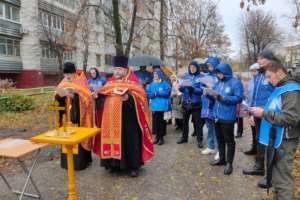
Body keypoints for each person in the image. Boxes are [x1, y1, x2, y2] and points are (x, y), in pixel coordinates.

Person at [250, 60, 300, 199]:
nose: (267, 80)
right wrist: (258, 113)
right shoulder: (281, 87)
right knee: (276, 178)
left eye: (269, 76)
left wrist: (263, 113)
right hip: (277, 138)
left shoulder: (291, 90)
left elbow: (290, 118)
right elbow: (275, 108)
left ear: (279, 73)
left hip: (285, 140)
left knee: (283, 179)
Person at [97, 56, 154, 177]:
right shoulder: (109, 83)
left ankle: (133, 167)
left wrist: (129, 98)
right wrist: (98, 97)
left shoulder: (134, 83)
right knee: (113, 139)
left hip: (129, 120)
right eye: (115, 69)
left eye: (120, 69)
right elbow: (102, 96)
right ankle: (114, 164)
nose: (117, 71)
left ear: (126, 69)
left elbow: (142, 98)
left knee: (130, 142)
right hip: (111, 119)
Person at [243, 50, 277, 188]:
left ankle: (271, 176)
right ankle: (259, 167)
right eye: (258, 59)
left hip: (268, 114)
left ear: (269, 60)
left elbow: (276, 96)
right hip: (256, 114)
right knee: (259, 139)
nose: (259, 61)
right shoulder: (258, 76)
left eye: (261, 59)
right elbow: (254, 96)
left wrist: (265, 110)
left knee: (270, 143)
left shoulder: (272, 74)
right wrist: (251, 113)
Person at [55, 62, 95, 170]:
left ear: (74, 73)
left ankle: (80, 163)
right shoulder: (63, 82)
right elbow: (58, 97)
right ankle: (66, 162)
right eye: (65, 74)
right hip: (67, 117)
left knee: (79, 137)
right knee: (66, 136)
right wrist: (59, 96)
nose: (67, 76)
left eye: (70, 74)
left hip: (79, 117)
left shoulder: (81, 81)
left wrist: (75, 96)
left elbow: (88, 99)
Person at [207, 63, 243, 175]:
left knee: (229, 141)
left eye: (220, 72)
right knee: (220, 139)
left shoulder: (235, 82)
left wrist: (223, 97)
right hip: (216, 116)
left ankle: (229, 163)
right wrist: (208, 94)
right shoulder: (218, 83)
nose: (218, 74)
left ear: (226, 72)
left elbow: (238, 98)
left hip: (227, 116)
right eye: (217, 73)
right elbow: (214, 98)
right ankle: (222, 159)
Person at [177, 61, 205, 148]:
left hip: (196, 103)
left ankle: (199, 140)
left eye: (194, 67)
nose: (192, 69)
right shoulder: (186, 76)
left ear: (197, 68)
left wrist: (193, 89)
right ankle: (184, 137)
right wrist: (181, 89)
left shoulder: (201, 77)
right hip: (186, 102)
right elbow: (182, 88)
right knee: (184, 121)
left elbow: (202, 91)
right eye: (191, 67)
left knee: (198, 123)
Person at [201, 57, 220, 158]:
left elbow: (220, 91)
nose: (209, 67)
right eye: (208, 66)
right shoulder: (206, 76)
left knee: (217, 129)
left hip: (214, 106)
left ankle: (219, 150)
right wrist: (203, 87)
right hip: (206, 105)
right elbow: (201, 87)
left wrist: (212, 89)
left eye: (211, 65)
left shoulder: (219, 77)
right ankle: (211, 146)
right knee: (209, 128)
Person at [146, 69, 171, 145]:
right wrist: (154, 94)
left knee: (162, 122)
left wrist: (157, 93)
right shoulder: (151, 84)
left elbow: (167, 93)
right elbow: (148, 94)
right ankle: (157, 136)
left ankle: (161, 138)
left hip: (162, 106)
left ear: (160, 75)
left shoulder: (165, 83)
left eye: (156, 74)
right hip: (154, 106)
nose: (155, 76)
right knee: (156, 122)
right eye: (154, 74)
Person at [87, 67, 107, 157]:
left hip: (101, 101)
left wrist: (99, 93)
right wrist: (91, 93)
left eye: (94, 72)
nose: (93, 74)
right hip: (93, 101)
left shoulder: (102, 79)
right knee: (95, 119)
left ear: (97, 72)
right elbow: (87, 90)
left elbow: (107, 89)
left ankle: (103, 131)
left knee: (101, 117)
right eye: (91, 73)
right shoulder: (89, 80)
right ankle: (97, 133)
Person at [244, 63, 260, 155]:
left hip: (258, 110)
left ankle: (259, 151)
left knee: (258, 131)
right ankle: (254, 148)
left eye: (255, 71)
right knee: (253, 130)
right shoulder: (251, 81)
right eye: (252, 71)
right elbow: (248, 95)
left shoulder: (261, 81)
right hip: (250, 108)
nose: (253, 73)